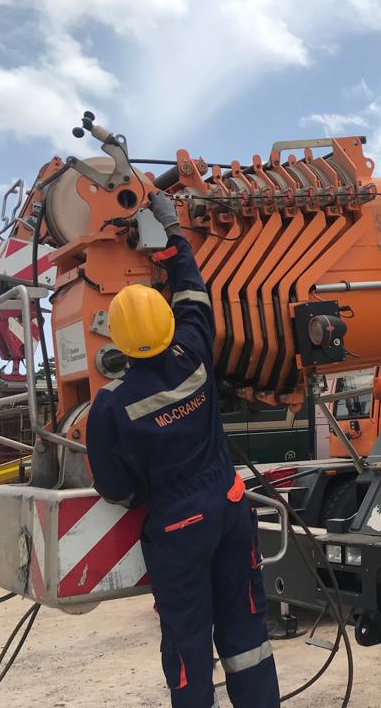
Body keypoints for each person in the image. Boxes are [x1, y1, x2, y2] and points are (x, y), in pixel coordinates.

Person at [86, 191, 281, 706]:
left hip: (177, 526)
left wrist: (143, 496)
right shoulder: (194, 351)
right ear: (167, 324)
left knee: (188, 642)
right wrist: (172, 232)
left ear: (118, 340)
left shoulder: (111, 405)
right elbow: (193, 290)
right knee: (247, 632)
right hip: (230, 506)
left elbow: (112, 486)